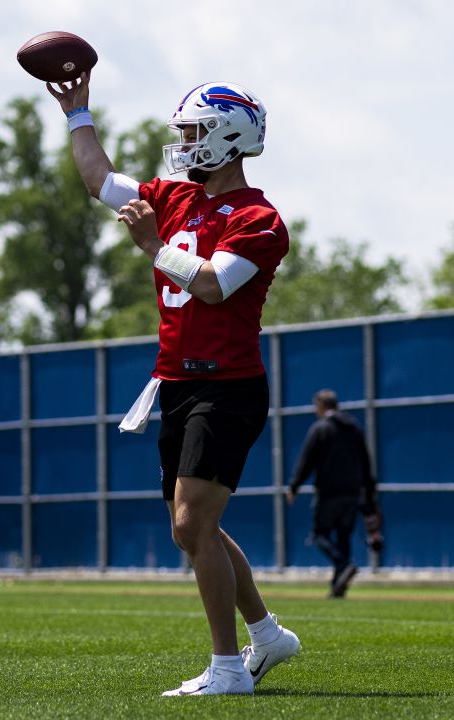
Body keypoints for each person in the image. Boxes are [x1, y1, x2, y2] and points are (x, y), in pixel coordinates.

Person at [47, 71, 299, 696]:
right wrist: (79, 114)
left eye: (194, 133)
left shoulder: (259, 218)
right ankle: (266, 635)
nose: (183, 144)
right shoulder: (179, 197)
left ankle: (228, 669)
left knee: (191, 528)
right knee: (194, 528)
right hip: (178, 383)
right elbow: (100, 180)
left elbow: (213, 284)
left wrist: (154, 247)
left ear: (227, 138)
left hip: (229, 386)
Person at [287, 389, 383, 598]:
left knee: (319, 534)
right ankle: (337, 588)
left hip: (328, 493)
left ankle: (344, 564)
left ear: (321, 406)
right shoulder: (354, 429)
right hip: (352, 493)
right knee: (343, 537)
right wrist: (369, 490)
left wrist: (294, 486)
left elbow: (307, 461)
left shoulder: (321, 428)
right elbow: (366, 462)